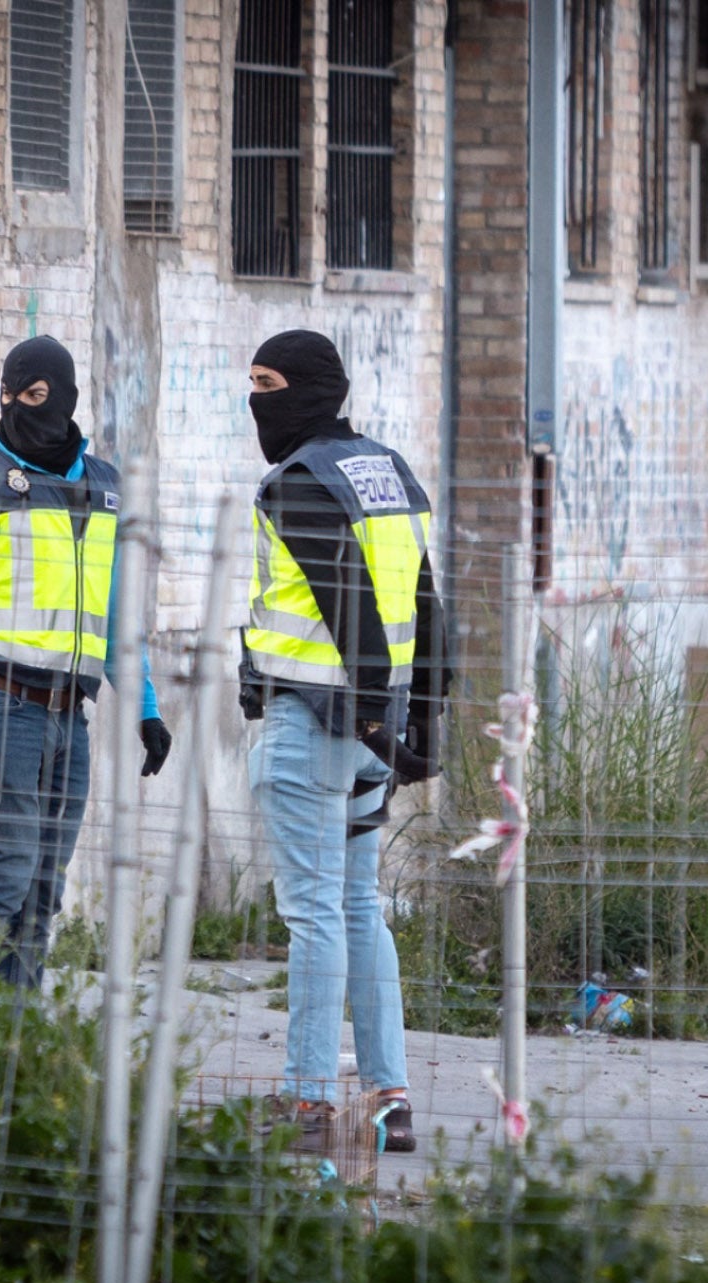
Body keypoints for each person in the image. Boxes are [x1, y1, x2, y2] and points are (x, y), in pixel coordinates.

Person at [239, 329, 451, 1152]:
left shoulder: (297, 484)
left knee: (315, 914)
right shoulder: (387, 473)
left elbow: (353, 603)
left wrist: (374, 717)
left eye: (267, 382)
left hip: (314, 724)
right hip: (374, 731)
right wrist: (421, 717)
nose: (256, 399)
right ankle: (390, 1099)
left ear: (309, 388)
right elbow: (426, 602)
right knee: (361, 906)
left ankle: (308, 1103)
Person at [0, 335, 171, 1001]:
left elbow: (118, 612)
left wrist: (145, 704)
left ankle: (12, 1051)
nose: (23, 407)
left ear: (64, 398)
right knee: (2, 881)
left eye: (37, 396)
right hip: (3, 708)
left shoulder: (106, 489)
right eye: (12, 395)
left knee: (41, 895)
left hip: (72, 720)